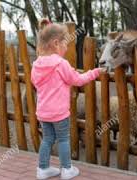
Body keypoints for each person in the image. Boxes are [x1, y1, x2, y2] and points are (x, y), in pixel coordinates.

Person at [31, 18, 104, 179]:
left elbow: (35, 82)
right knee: (64, 139)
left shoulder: (36, 64)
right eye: (65, 44)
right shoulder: (60, 64)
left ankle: (42, 169)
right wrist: (95, 72)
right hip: (59, 112)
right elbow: (77, 80)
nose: (66, 47)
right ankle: (66, 169)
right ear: (56, 43)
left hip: (43, 112)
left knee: (48, 139)